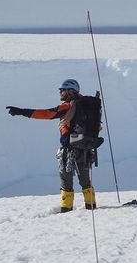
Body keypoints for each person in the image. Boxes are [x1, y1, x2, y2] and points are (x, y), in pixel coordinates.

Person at [6, 79, 97, 213]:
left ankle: (66, 211)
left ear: (71, 91)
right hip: (85, 149)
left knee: (66, 183)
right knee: (86, 182)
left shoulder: (67, 107)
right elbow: (98, 127)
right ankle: (92, 209)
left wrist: (22, 111)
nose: (60, 92)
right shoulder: (88, 107)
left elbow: (46, 114)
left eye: (62, 90)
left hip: (69, 151)